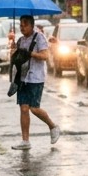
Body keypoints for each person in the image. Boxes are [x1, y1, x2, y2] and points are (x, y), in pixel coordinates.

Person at [9, 15, 62, 150]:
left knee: (34, 108)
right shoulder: (20, 40)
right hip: (22, 78)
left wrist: (30, 53)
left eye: (25, 25)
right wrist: (14, 52)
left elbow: (45, 56)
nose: (22, 27)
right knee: (23, 108)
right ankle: (25, 141)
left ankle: (53, 126)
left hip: (36, 78)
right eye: (20, 25)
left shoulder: (39, 38)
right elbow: (16, 60)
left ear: (32, 25)